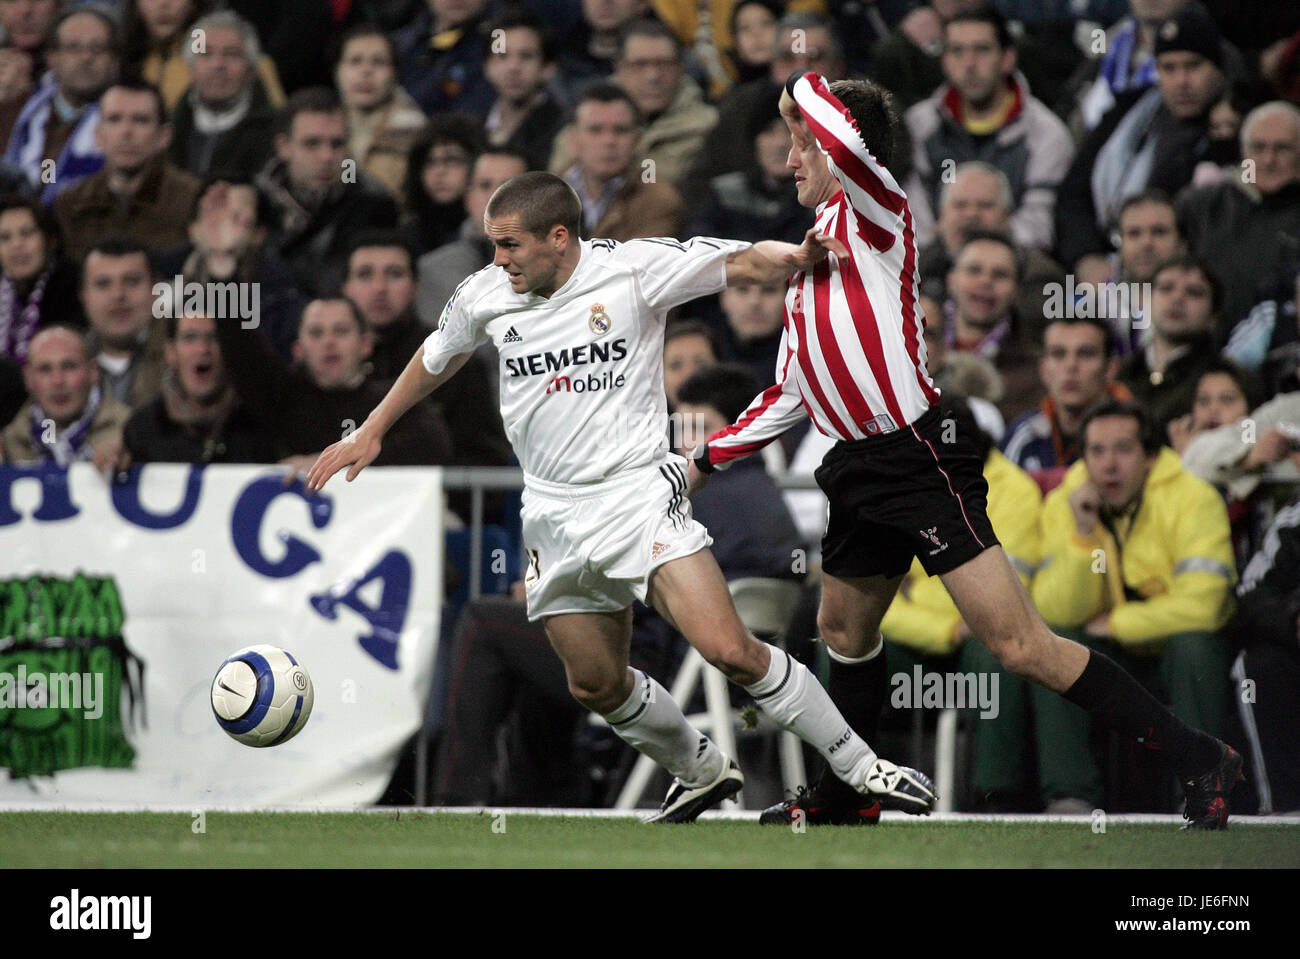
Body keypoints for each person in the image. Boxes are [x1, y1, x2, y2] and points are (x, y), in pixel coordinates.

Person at [689, 69, 1243, 828]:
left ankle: (1202, 758)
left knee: (1020, 645)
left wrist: (796, 89)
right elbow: (789, 390)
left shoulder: (880, 212)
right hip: (853, 464)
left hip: (915, 456)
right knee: (843, 631)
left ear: (841, 148)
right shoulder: (812, 254)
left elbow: (839, 130)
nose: (789, 160)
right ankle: (849, 791)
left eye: (802, 145)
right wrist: (700, 460)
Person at [307, 170, 938, 824]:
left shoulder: (633, 270)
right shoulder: (485, 293)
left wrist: (796, 256)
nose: (498, 259)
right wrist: (374, 430)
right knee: (595, 682)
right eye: (493, 245)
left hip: (638, 496)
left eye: (510, 245)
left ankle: (863, 767)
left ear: (559, 237)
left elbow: (738, 258)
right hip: (551, 514)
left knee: (729, 648)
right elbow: (437, 355)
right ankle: (699, 769)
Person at [1026, 399, 1236, 810]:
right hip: (1115, 660)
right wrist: (1083, 535)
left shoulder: (1195, 498)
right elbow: (1057, 612)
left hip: (1178, 656)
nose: (1109, 465)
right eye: (1097, 452)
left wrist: (1120, 623)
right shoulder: (1065, 503)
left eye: (1123, 450)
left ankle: (1202, 793)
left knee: (1195, 644)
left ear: (1151, 458)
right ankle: (1070, 799)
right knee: (1057, 646)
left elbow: (1207, 606)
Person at [904, 6, 1074, 253]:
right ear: (945, 60)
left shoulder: (1048, 135)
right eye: (957, 51)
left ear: (1008, 59)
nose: (969, 64)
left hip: (1015, 271)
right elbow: (911, 219)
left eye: (981, 50)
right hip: (932, 269)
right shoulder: (918, 124)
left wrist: (978, 253)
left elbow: (1039, 228)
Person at [54, 79, 202, 262]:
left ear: (164, 136)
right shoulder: (69, 205)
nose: (126, 131)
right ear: (98, 135)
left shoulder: (193, 199)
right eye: (115, 119)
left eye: (140, 120)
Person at [121, 310, 278, 465]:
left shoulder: (263, 423)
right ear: (171, 352)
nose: (203, 349)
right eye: (190, 338)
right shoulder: (143, 429)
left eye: (214, 338)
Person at [5, 6, 117, 204]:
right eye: (74, 48)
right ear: (52, 58)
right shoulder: (18, 112)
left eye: (97, 49)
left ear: (114, 59)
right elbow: (45, 176)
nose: (86, 58)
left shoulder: (129, 115)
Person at [558, 82, 684, 241]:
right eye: (595, 130)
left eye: (620, 130)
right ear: (573, 139)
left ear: (637, 140)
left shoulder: (659, 201)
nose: (609, 141)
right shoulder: (543, 196)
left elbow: (640, 263)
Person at [167, 10, 278, 181]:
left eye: (231, 54)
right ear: (190, 67)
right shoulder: (169, 128)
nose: (218, 64)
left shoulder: (275, 131)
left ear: (251, 70)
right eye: (206, 54)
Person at [0, 323, 129, 469]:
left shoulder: (131, 432)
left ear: (93, 371)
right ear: (28, 379)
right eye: (45, 369)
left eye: (69, 366)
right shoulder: (9, 444)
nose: (58, 381)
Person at [335, 24, 427, 205]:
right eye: (355, 61)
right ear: (337, 71)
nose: (366, 71)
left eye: (378, 62)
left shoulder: (417, 134)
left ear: (395, 73)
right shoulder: (322, 130)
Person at [0, 192, 82, 364]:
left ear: (50, 240)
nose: (17, 245)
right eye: (5, 238)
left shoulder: (74, 287)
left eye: (27, 233)